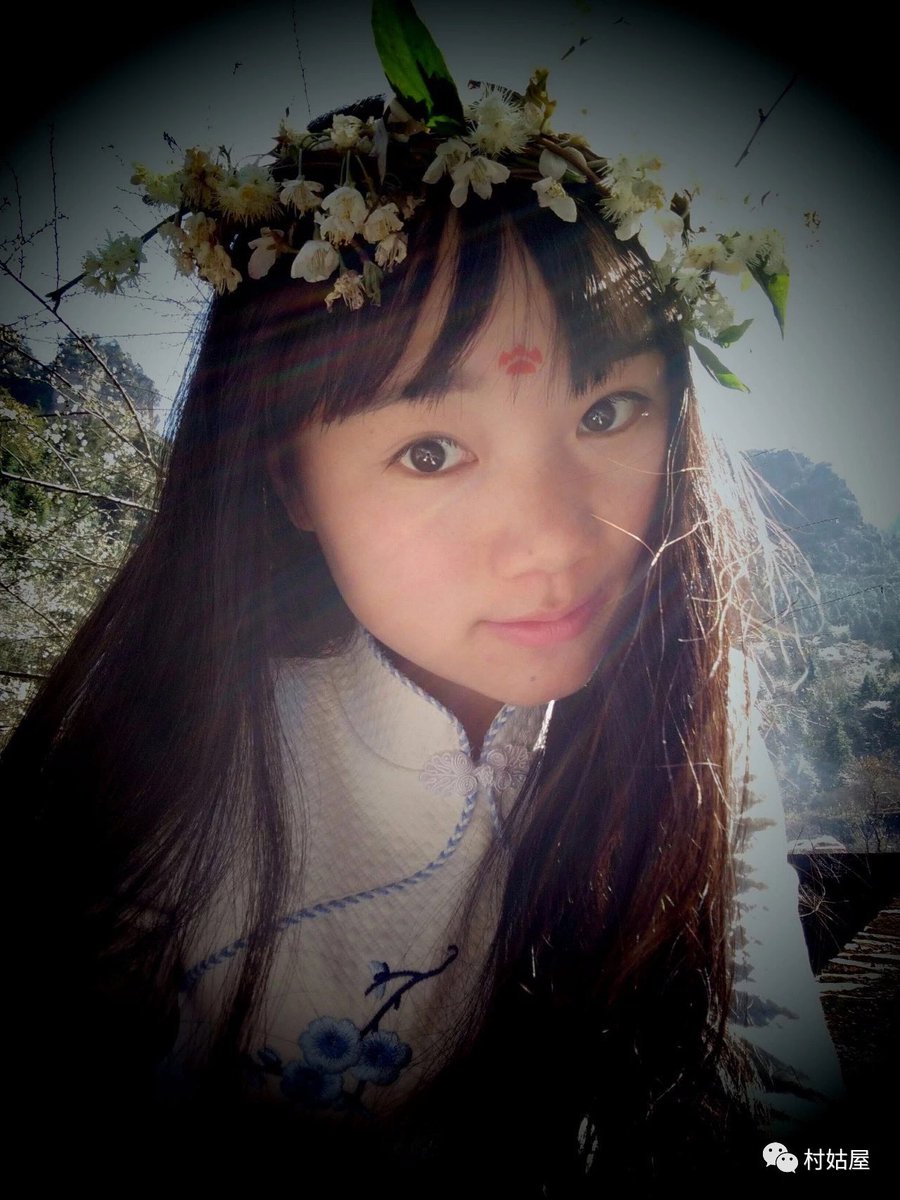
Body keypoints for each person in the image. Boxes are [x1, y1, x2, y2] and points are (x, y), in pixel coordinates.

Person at [9, 2, 841, 1188]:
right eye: (432, 452)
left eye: (608, 410)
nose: (555, 542)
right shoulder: (174, 739)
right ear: (288, 475)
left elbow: (768, 1098)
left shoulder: (693, 699)